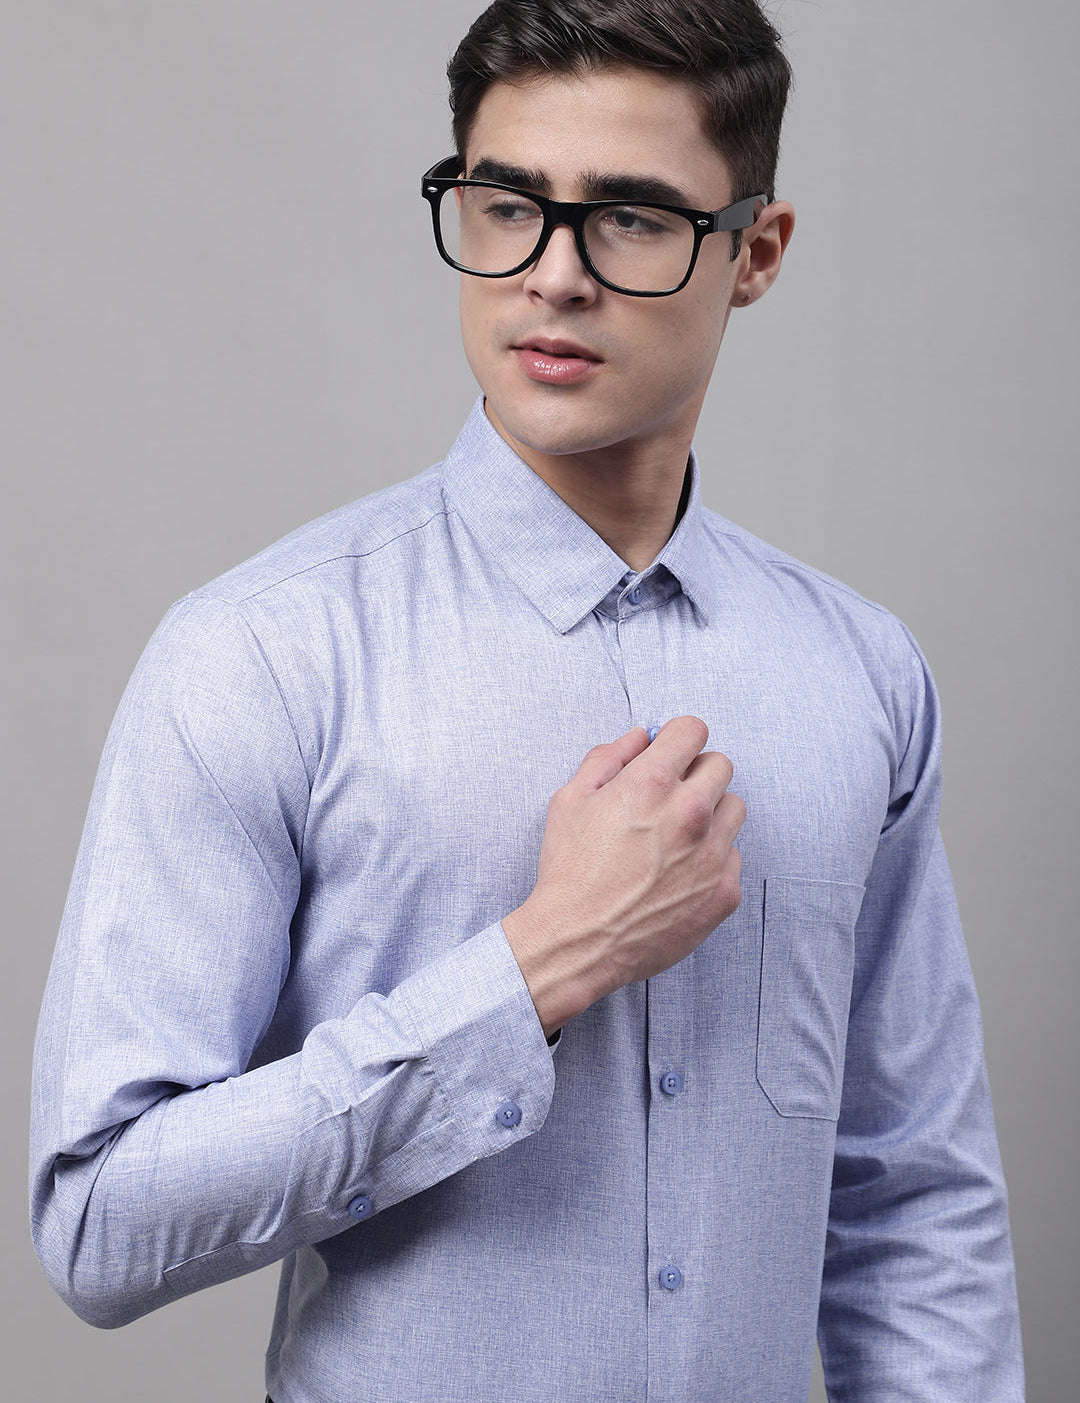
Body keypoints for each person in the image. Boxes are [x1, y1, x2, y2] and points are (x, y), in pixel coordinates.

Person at [30, 1, 1025, 1399]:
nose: (552, 277)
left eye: (631, 219)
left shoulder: (859, 672)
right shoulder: (262, 656)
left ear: (757, 252)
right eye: (507, 205)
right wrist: (536, 968)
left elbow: (913, 1197)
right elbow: (100, 1222)